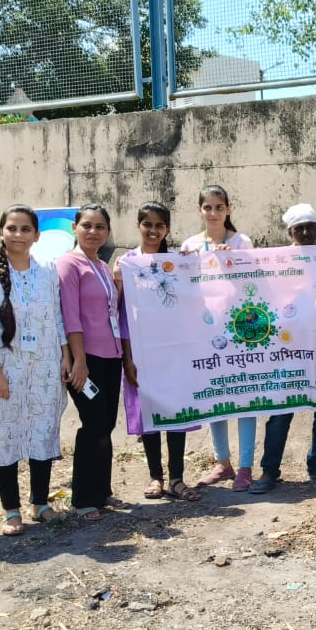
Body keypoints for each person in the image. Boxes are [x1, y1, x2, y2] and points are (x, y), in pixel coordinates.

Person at [0, 205, 71, 535]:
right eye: (11, 228)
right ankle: (11, 510)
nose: (18, 234)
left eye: (25, 229)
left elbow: (57, 317)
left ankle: (40, 503)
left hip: (44, 363)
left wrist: (65, 354)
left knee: (43, 428)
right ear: (0, 232)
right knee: (7, 435)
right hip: (5, 367)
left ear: (36, 235)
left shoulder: (47, 270)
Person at [251, 203, 316, 492]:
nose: (305, 232)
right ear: (290, 231)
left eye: (310, 227)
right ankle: (269, 470)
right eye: (298, 228)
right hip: (287, 350)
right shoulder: (276, 262)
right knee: (280, 410)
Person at [117, 202, 201, 502]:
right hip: (140, 353)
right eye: (147, 224)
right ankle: (156, 478)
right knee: (148, 415)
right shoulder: (125, 263)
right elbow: (121, 314)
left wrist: (196, 262)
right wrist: (127, 357)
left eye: (160, 225)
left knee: (175, 412)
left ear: (167, 229)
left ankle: (177, 479)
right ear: (138, 226)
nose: (153, 231)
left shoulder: (175, 262)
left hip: (173, 352)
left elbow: (197, 296)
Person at [181, 185, 258, 492]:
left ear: (229, 209)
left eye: (218, 207)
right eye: (207, 207)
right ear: (199, 210)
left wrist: (235, 260)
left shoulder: (241, 242)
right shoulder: (190, 245)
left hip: (240, 329)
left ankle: (246, 467)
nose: (213, 213)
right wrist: (182, 263)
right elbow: (182, 285)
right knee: (216, 395)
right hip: (205, 330)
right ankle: (222, 463)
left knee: (246, 397)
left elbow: (256, 281)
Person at [57, 204, 123, 520]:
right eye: (87, 225)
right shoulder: (69, 265)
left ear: (107, 232)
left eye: (99, 226)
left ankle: (102, 491)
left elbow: (111, 309)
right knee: (93, 423)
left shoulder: (102, 265)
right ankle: (83, 498)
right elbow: (71, 316)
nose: (93, 231)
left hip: (111, 357)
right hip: (88, 359)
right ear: (75, 228)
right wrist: (78, 360)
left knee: (106, 425)